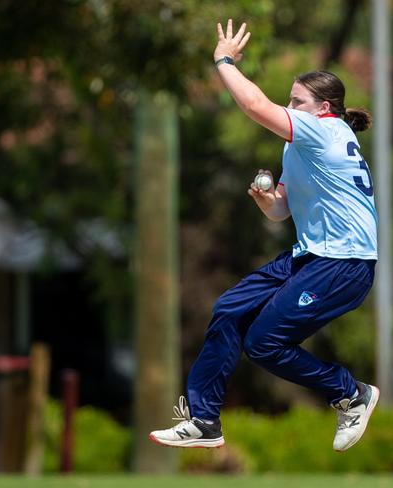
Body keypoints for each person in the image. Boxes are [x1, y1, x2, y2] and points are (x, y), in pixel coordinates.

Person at [149, 19, 379, 452]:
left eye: (297, 101)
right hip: (312, 256)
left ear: (324, 107)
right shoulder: (301, 143)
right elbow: (280, 210)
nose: (289, 107)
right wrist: (265, 199)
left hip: (344, 264)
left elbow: (254, 105)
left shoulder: (325, 131)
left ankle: (351, 393)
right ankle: (204, 420)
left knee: (264, 343)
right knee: (230, 309)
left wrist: (223, 61)